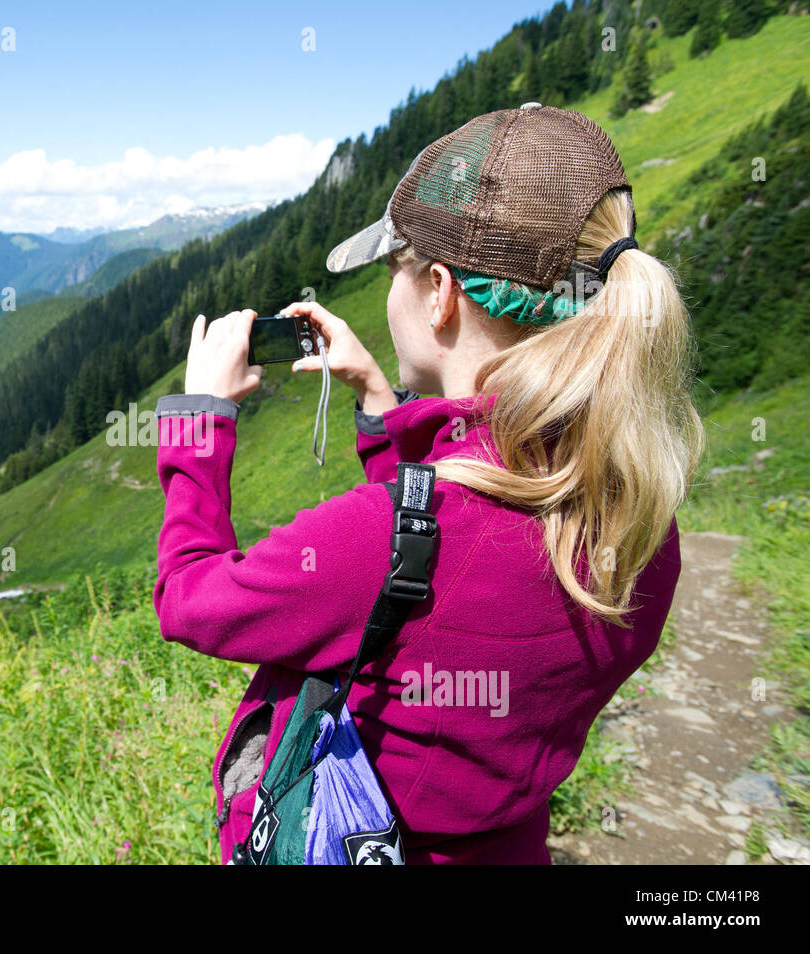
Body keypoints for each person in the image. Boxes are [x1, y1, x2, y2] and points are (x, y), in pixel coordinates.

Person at [151, 103, 705, 864]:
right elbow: (431, 584)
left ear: (439, 291)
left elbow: (190, 600)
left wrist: (196, 422)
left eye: (392, 270)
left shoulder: (375, 539)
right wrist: (383, 407)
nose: (388, 292)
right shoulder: (638, 517)